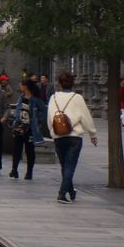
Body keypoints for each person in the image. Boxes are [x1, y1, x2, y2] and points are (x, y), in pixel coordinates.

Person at [48, 72, 98, 203]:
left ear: (59, 83)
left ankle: (71, 191)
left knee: (64, 166)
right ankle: (62, 194)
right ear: (73, 83)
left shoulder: (53, 98)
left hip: (59, 136)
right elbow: (85, 116)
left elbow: (50, 118)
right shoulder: (77, 98)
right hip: (74, 136)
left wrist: (53, 131)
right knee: (70, 166)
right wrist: (92, 133)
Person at [6, 78, 46, 180]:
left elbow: (44, 111)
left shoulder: (36, 100)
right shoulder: (21, 97)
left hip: (30, 128)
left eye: (21, 85)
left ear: (26, 86)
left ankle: (29, 172)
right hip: (20, 127)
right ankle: (14, 170)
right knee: (16, 150)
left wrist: (39, 121)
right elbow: (18, 111)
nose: (20, 86)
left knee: (29, 150)